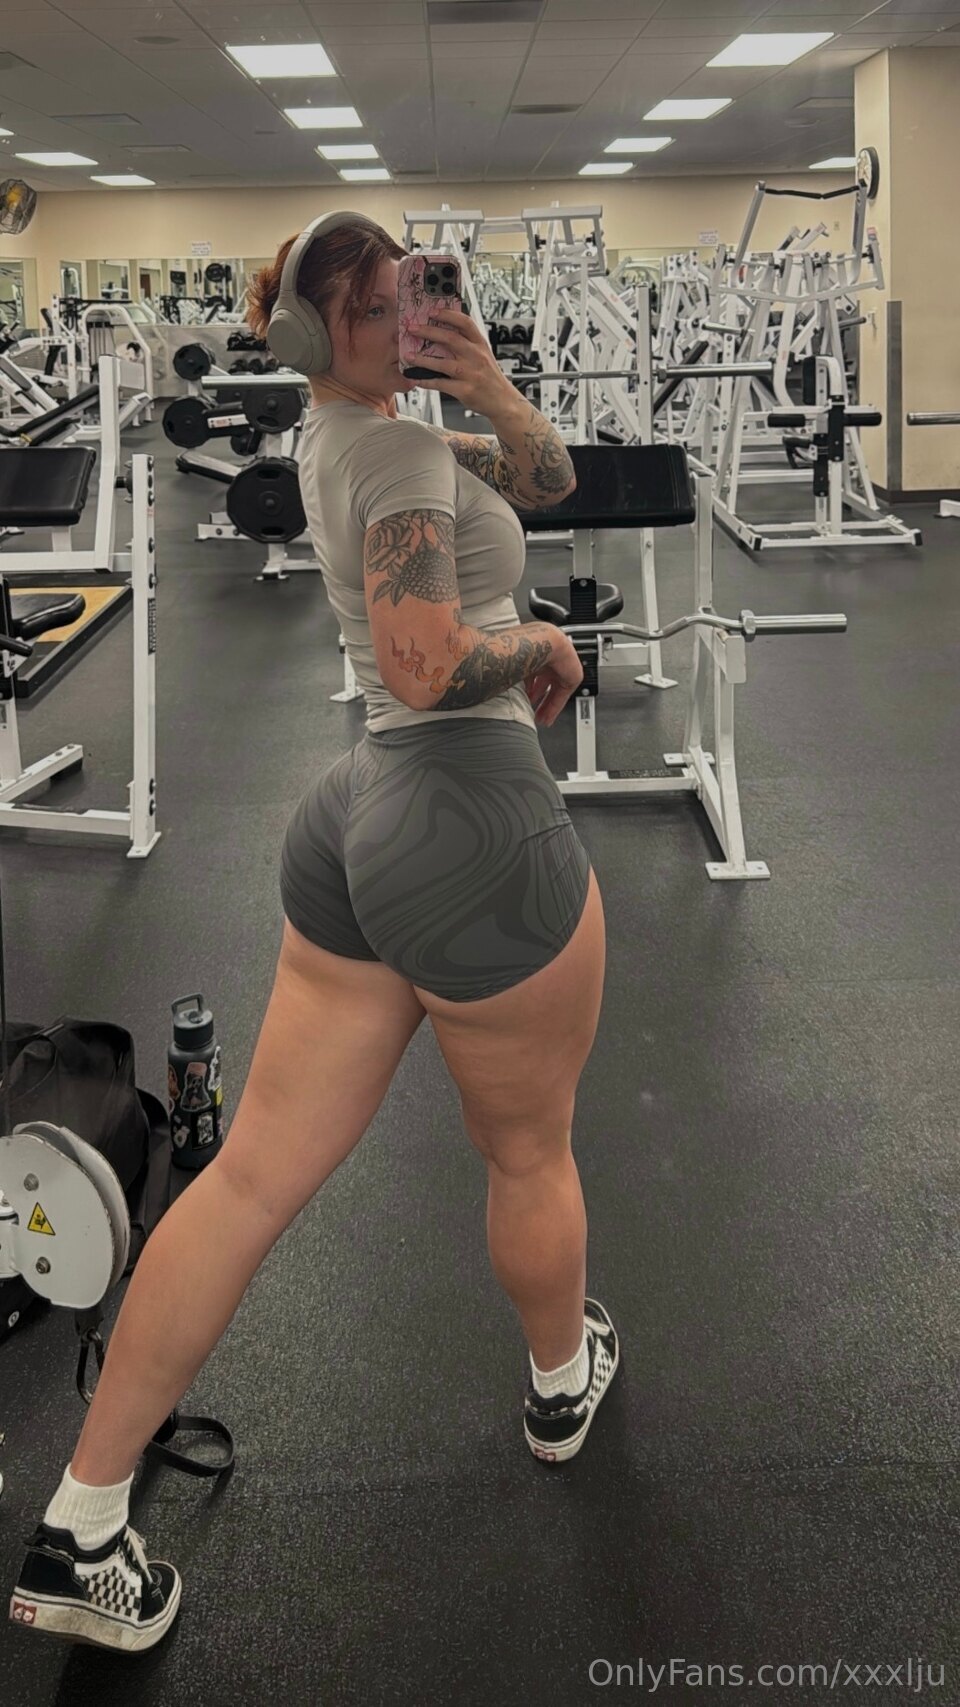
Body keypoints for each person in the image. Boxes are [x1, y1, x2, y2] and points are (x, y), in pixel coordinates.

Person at [9, 213, 620, 1655]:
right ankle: (560, 1381)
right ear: (311, 332)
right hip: (472, 828)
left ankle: (81, 1521)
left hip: (361, 820)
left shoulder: (353, 436)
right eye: (376, 304)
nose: (406, 314)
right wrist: (541, 644)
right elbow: (422, 661)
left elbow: (551, 479)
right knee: (529, 1154)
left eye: (411, 290)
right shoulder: (393, 456)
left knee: (246, 1181)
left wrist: (485, 383)